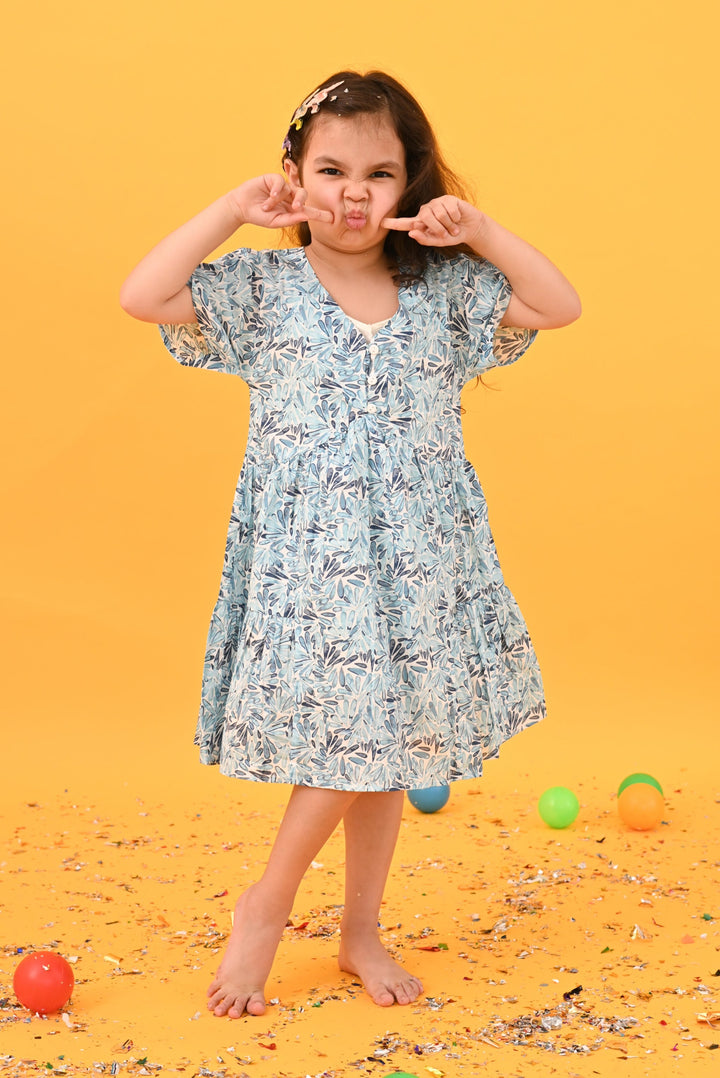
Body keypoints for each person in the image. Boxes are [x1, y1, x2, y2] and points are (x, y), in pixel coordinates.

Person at [120, 69, 581, 1020]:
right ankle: (268, 905)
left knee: (393, 745)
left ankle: (360, 930)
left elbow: (557, 303)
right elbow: (144, 293)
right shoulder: (266, 289)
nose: (355, 192)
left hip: (420, 554)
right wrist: (230, 211)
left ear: (409, 186)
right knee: (355, 734)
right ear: (295, 175)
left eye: (380, 172)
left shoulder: (448, 294)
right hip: (312, 560)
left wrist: (480, 232)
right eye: (330, 168)